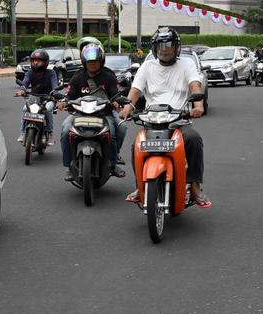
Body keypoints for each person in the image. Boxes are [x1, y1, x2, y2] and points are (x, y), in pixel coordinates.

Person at [119, 26, 211, 208]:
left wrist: (198, 105)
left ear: (176, 47)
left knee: (193, 139)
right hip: (152, 121)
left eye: (169, 44)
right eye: (161, 44)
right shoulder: (147, 66)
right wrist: (127, 107)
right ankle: (140, 186)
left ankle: (194, 185)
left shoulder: (187, 64)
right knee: (136, 146)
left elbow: (194, 85)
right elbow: (135, 90)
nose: (165, 48)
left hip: (178, 120)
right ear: (155, 47)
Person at [60, 38, 127, 180]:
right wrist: (63, 102)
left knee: (119, 129)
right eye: (90, 62)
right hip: (79, 114)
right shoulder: (77, 77)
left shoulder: (108, 76)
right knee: (66, 130)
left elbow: (115, 93)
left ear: (101, 61)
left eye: (95, 61)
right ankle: (69, 165)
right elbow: (69, 95)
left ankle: (113, 163)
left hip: (104, 114)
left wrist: (116, 101)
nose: (93, 64)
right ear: (84, 62)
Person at [14, 48, 58, 144]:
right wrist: (21, 90)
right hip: (34, 98)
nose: (36, 63)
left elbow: (55, 86)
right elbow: (24, 84)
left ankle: (50, 133)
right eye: (34, 60)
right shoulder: (30, 73)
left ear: (45, 62)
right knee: (25, 109)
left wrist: (55, 93)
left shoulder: (51, 73)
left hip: (48, 98)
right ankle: (22, 133)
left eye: (39, 61)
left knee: (47, 110)